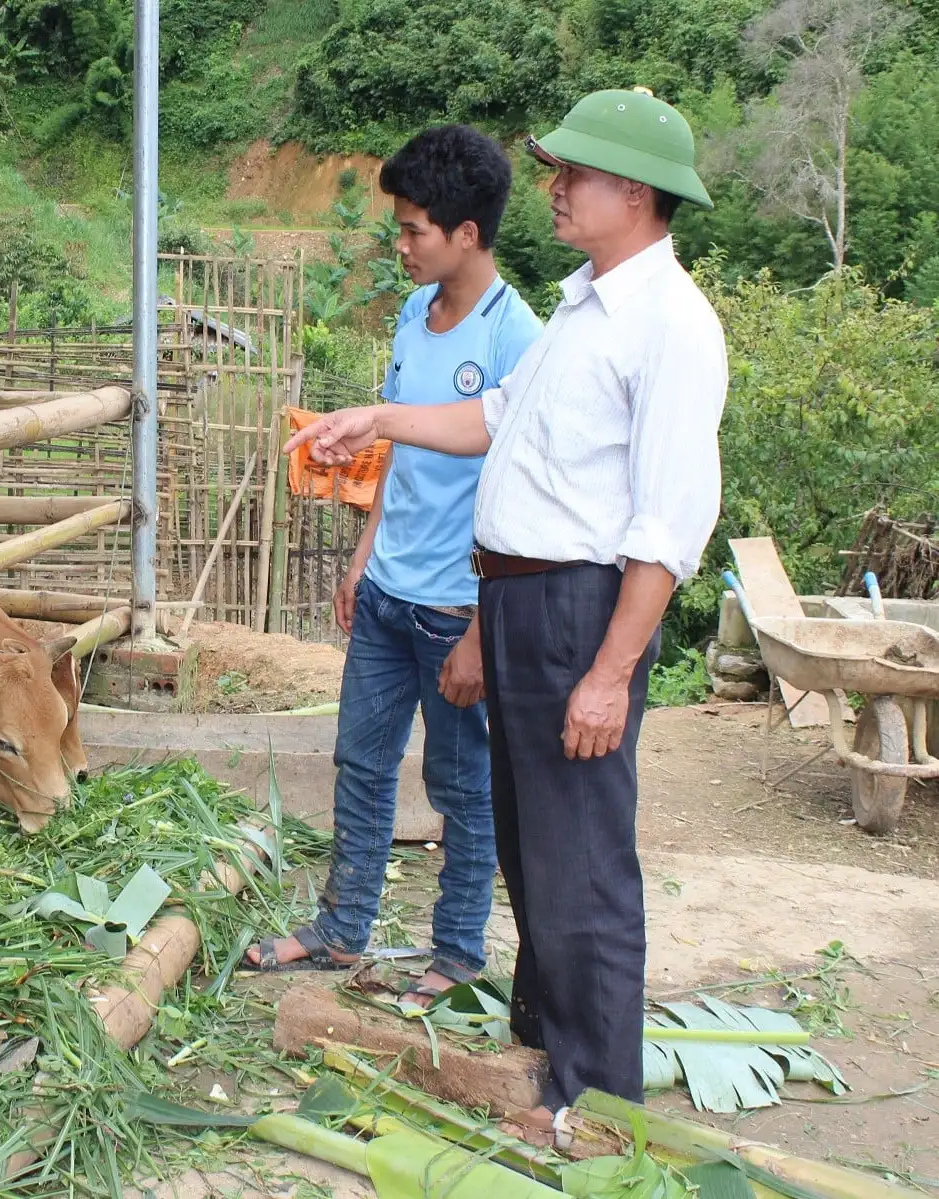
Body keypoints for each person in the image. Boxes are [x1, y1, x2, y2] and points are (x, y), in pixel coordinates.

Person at [282, 88, 727, 1148]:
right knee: (531, 840)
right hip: (517, 594)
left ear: (631, 191)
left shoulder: (669, 324)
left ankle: (596, 1099)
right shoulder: (581, 305)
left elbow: (666, 524)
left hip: (581, 606)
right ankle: (546, 1047)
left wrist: (612, 668)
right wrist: (376, 416)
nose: (555, 187)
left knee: (580, 859)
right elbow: (489, 423)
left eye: (572, 173)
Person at [244, 125, 543, 1009]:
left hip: (456, 606)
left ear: (466, 234)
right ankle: (344, 928)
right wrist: (362, 559)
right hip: (386, 594)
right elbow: (401, 455)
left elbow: (523, 503)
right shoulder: (416, 317)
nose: (400, 244)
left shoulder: (515, 338)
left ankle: (455, 953)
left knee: (459, 785)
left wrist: (484, 632)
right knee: (362, 762)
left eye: (413, 229)